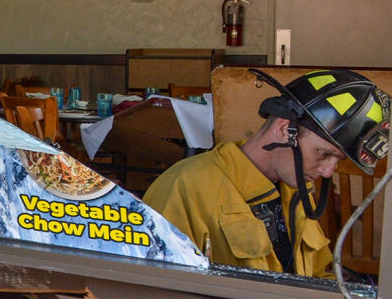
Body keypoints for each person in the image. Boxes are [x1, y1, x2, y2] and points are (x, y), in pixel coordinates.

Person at [145, 69, 388, 276]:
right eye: (324, 154)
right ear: (285, 130)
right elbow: (158, 297)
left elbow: (316, 276)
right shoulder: (185, 187)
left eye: (337, 159)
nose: (327, 172)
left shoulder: (293, 189)